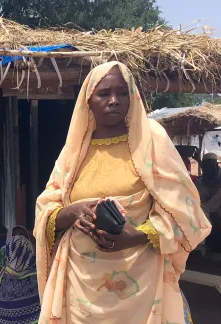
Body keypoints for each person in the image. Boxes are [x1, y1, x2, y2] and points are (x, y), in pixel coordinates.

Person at [34, 62, 210, 324]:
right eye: (104, 94)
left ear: (133, 96)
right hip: (80, 283)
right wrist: (69, 212)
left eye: (122, 92)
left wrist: (137, 236)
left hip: (142, 282)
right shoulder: (75, 149)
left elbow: (185, 210)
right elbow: (46, 205)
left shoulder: (151, 140)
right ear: (88, 101)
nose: (114, 101)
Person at [0, 226, 40, 324]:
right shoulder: (38, 277)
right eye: (15, 236)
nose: (19, 239)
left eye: (22, 236)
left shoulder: (3, 278)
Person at [195, 153, 221, 254]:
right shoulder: (200, 182)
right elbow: (201, 203)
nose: (207, 169)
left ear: (216, 165)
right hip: (208, 213)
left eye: (211, 165)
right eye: (205, 166)